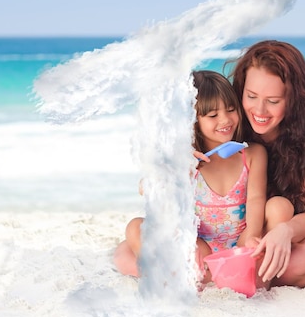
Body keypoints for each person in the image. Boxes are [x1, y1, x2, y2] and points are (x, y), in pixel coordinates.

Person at [113, 70, 268, 285]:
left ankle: (192, 275)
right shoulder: (182, 160)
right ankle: (190, 274)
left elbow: (256, 199)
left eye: (231, 110)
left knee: (125, 256)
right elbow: (146, 188)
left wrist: (251, 236)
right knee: (134, 229)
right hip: (197, 246)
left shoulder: (252, 154)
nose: (225, 119)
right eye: (213, 115)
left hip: (237, 245)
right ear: (191, 121)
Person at [223, 40, 305, 287]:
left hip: (269, 237)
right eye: (251, 96)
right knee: (124, 254)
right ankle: (244, 274)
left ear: (293, 100)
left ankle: (243, 276)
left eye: (273, 101)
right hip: (226, 233)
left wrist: (285, 232)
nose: (259, 110)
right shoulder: (226, 123)